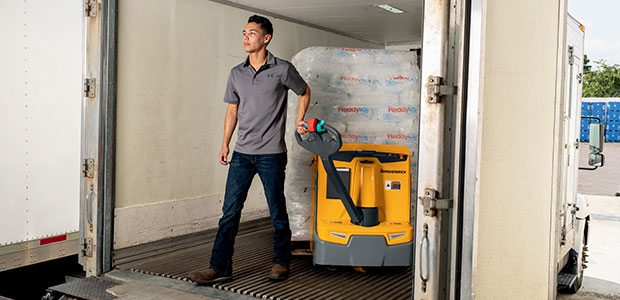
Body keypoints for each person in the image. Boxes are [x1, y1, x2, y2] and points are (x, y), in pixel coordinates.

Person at [187, 14, 310, 285]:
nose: (245, 37)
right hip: (242, 153)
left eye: (251, 33)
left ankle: (280, 262)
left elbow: (304, 91)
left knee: (277, 211)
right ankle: (219, 267)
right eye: (244, 32)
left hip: (271, 154)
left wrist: (300, 120)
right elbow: (232, 110)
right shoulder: (236, 73)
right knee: (230, 212)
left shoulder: (282, 69)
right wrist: (225, 143)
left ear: (266, 38)